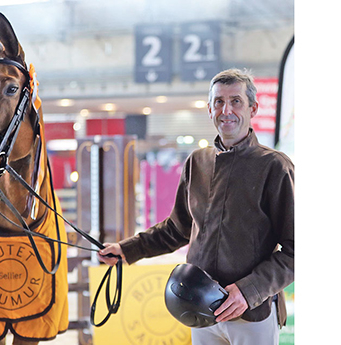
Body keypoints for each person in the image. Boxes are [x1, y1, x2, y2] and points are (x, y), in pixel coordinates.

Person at [98, 68, 294, 345]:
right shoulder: (197, 162)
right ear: (210, 109)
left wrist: (249, 291)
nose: (226, 110)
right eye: (219, 102)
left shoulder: (275, 166)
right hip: (199, 310)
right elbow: (177, 229)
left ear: (253, 108)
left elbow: (296, 250)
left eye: (236, 101)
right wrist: (127, 249)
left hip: (251, 314)